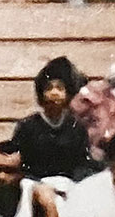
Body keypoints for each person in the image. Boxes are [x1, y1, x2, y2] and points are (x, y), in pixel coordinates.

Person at [9, 58, 97, 188]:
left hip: (68, 187)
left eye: (59, 88)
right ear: (42, 94)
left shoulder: (76, 127)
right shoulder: (27, 126)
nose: (54, 93)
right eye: (49, 88)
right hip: (35, 187)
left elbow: (83, 163)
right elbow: (19, 164)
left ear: (67, 94)